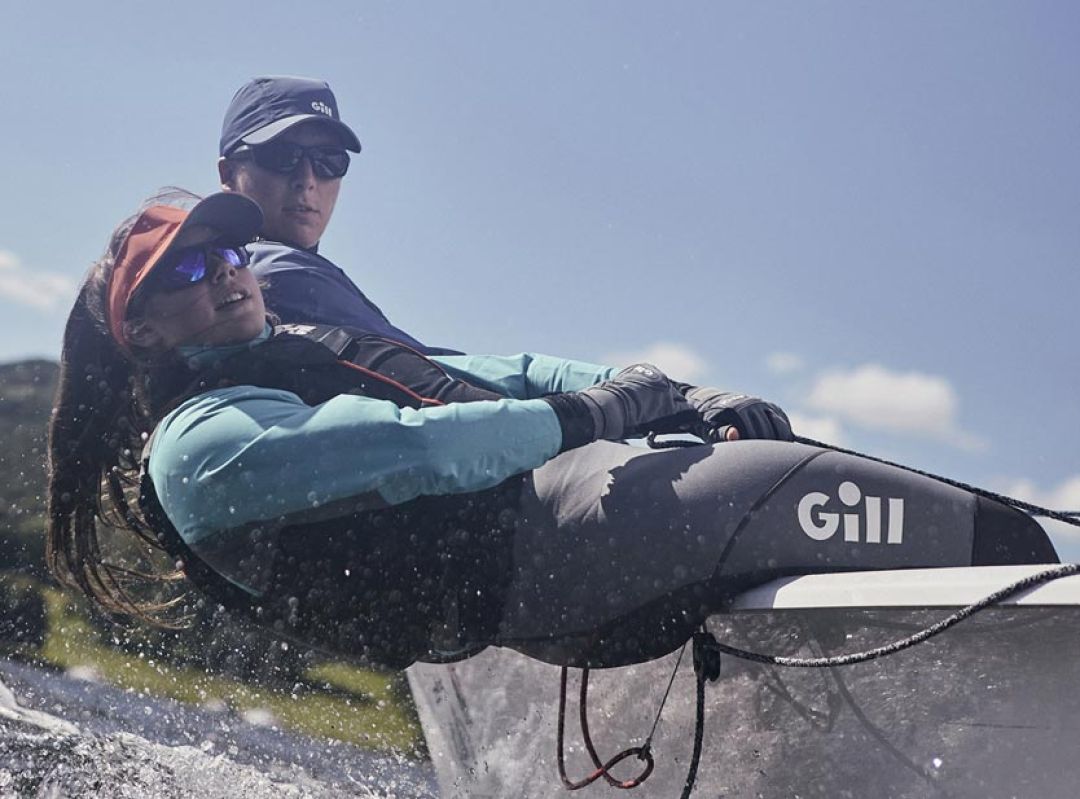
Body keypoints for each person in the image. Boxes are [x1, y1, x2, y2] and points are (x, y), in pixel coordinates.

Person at [46, 191, 1056, 672]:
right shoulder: (201, 447)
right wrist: (591, 418)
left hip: (563, 523)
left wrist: (671, 395)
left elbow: (502, 371)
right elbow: (414, 450)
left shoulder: (296, 348)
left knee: (762, 464)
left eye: (226, 249)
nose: (223, 271)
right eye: (184, 271)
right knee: (1012, 543)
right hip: (544, 555)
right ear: (141, 333)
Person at [216, 76, 453, 353]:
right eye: (281, 156)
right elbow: (427, 375)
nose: (307, 179)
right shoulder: (275, 269)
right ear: (229, 174)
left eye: (329, 160)